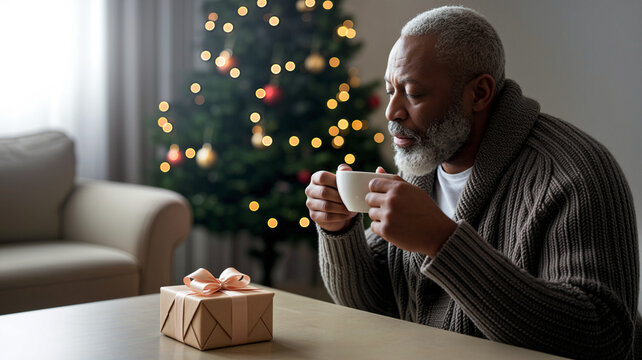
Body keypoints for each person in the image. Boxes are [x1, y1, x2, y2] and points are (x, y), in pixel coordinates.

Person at [304, 6, 640, 359]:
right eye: (391, 91)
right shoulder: (424, 163)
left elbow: (604, 336)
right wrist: (339, 232)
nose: (392, 112)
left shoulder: (573, 173)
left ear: (479, 93)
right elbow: (376, 303)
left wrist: (442, 241)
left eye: (414, 94)